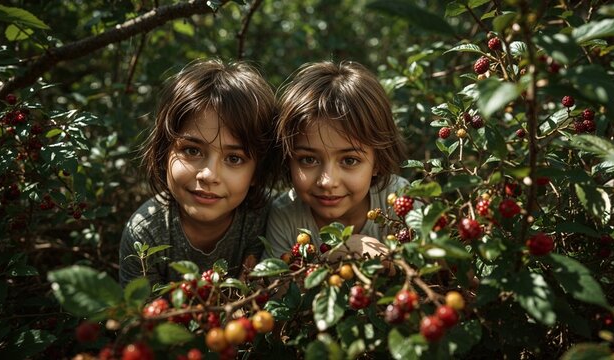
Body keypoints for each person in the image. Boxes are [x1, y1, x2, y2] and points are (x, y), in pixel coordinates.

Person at [119, 59, 279, 288]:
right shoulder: (145, 233)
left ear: (257, 171)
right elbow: (142, 321)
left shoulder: (269, 217)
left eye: (234, 159)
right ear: (164, 151)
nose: (208, 175)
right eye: (192, 150)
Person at [264, 61, 408, 260]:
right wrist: (336, 257)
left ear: (377, 161)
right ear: (287, 159)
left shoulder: (396, 201)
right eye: (308, 159)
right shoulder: (286, 217)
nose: (328, 181)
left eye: (349, 161)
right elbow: (275, 288)